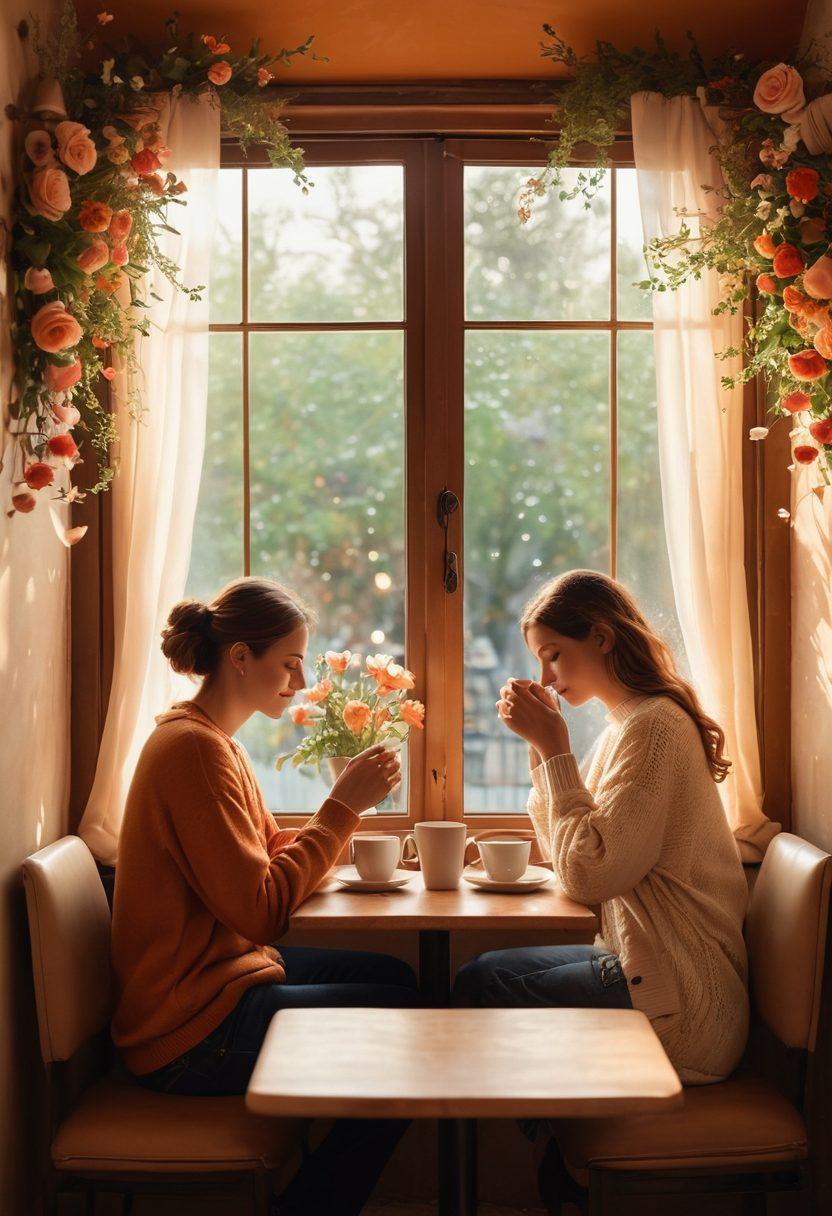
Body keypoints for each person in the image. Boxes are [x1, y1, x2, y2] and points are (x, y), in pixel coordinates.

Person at [110, 577, 419, 1216]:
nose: (302, 681)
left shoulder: (211, 740)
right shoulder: (192, 750)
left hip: (222, 982)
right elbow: (261, 910)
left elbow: (261, 855)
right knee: (406, 1048)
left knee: (400, 983)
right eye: (290, 662)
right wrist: (342, 808)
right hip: (188, 1033)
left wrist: (345, 825)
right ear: (241, 657)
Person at [453, 569, 749, 1091]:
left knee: (481, 985)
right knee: (481, 974)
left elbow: (589, 875)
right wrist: (541, 750)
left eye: (553, 654)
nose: (545, 677)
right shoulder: (626, 726)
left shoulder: (654, 727)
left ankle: (562, 1156)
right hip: (649, 971)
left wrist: (553, 750)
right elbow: (567, 855)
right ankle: (562, 1157)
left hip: (682, 1005)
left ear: (602, 638)